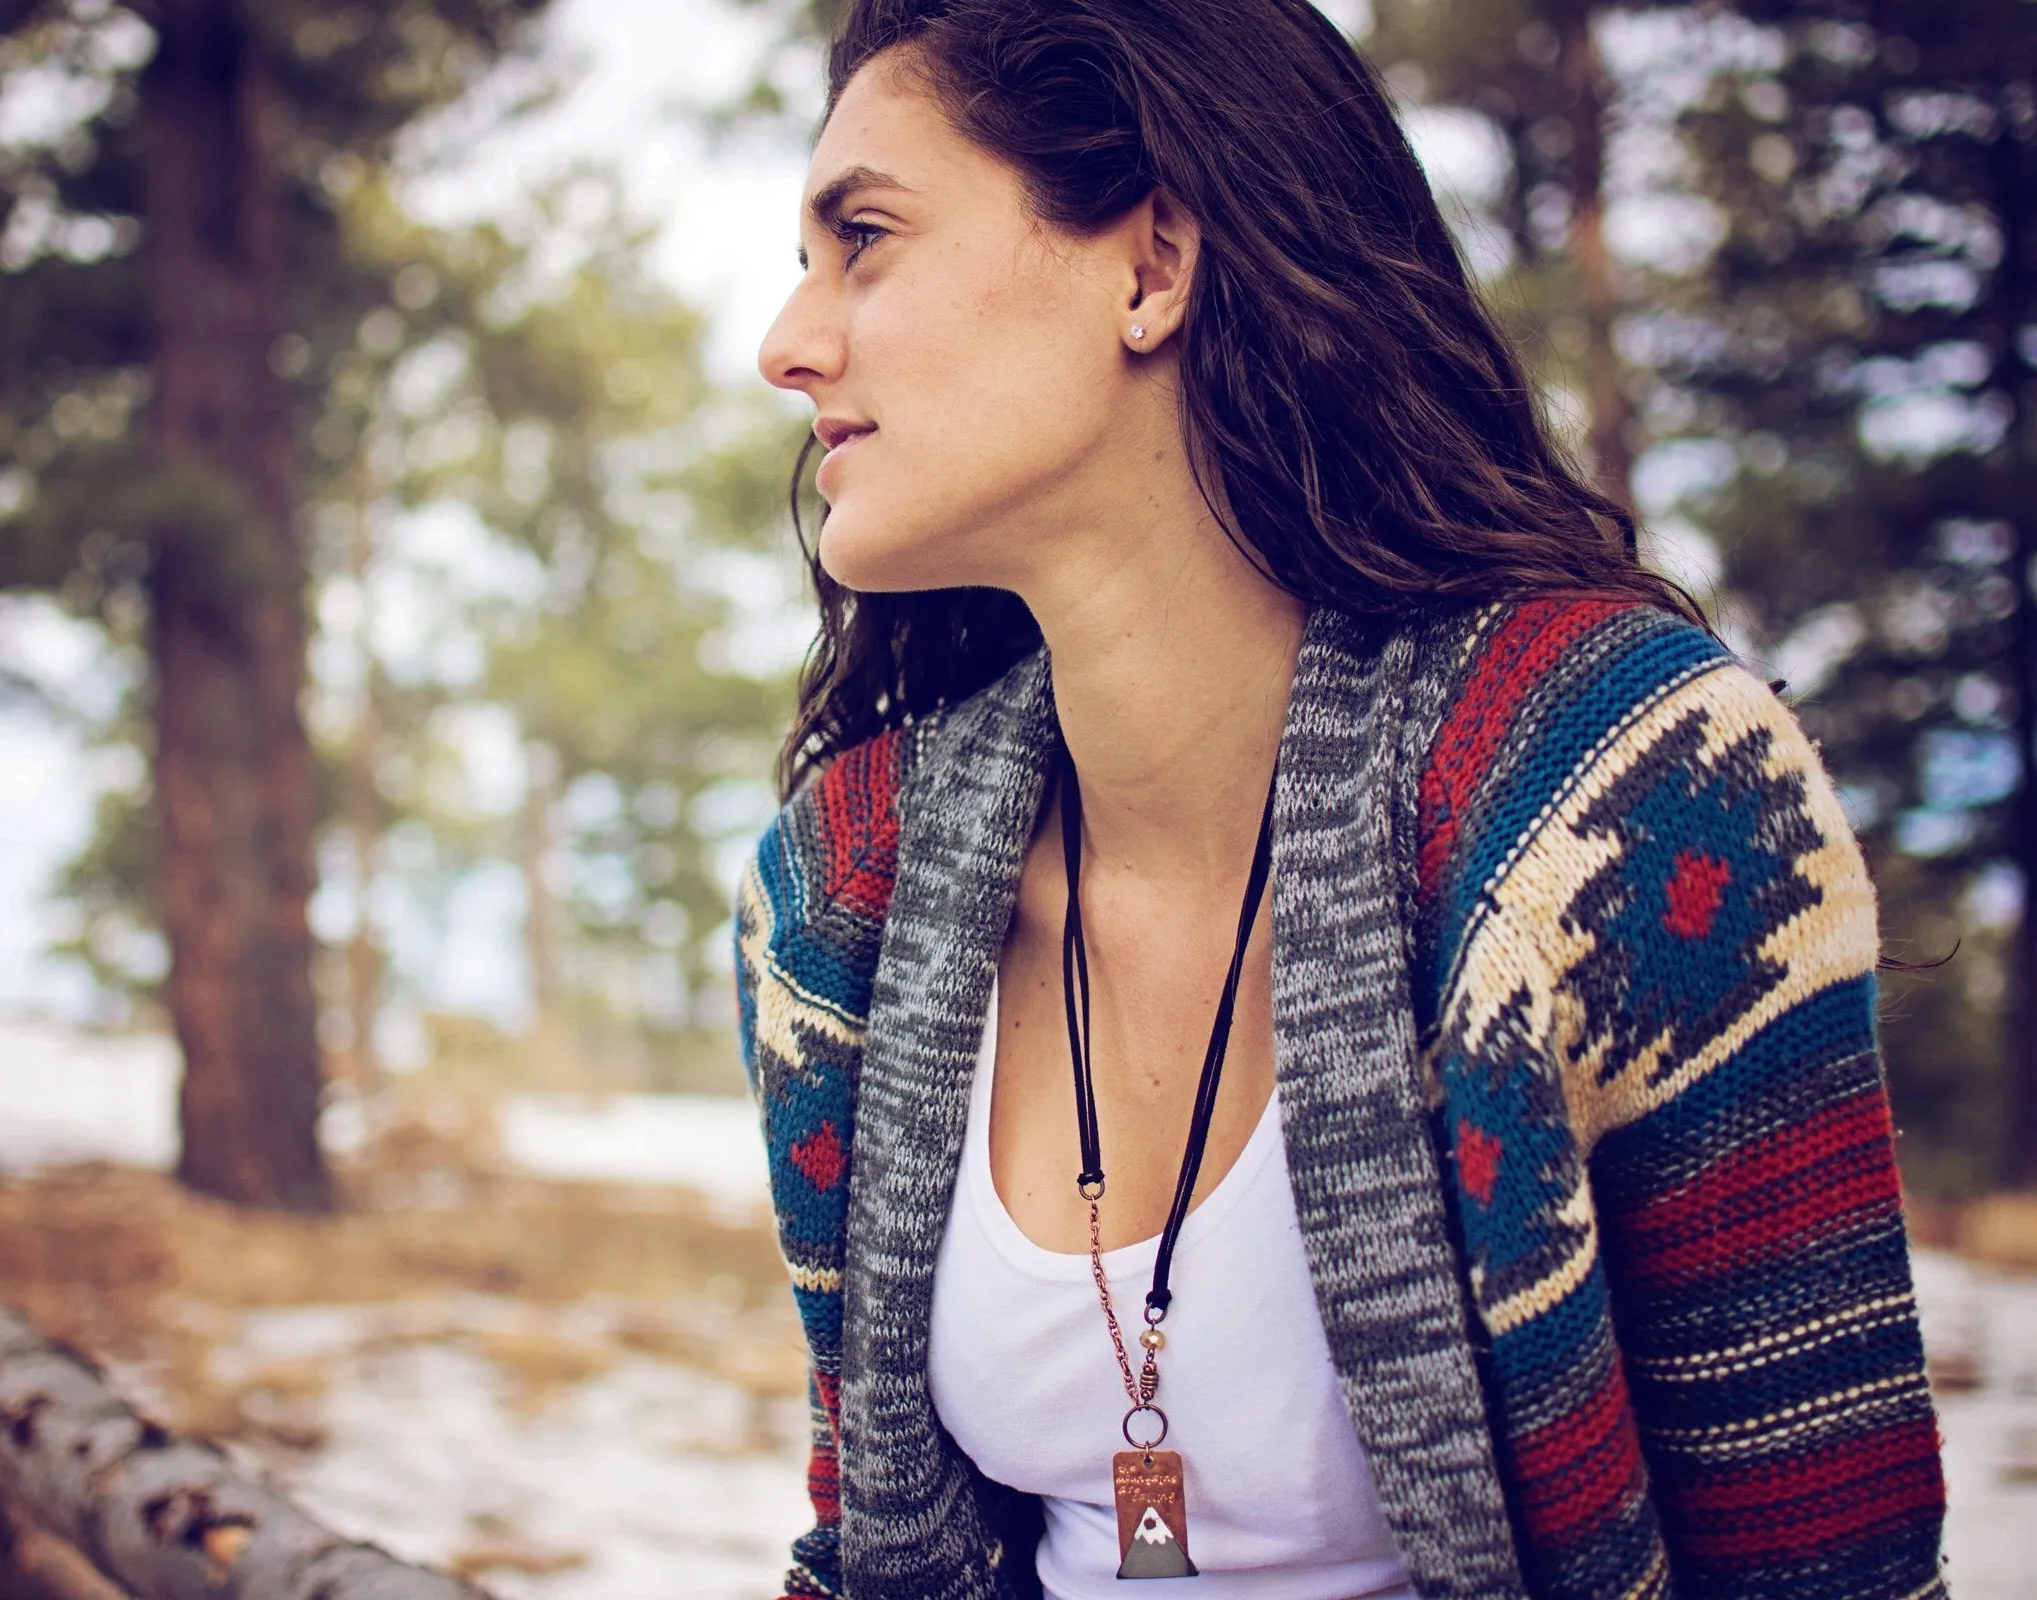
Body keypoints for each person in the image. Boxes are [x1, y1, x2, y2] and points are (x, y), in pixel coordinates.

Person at [736, 2, 1947, 1599]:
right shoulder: (845, 891)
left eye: (864, 239)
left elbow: (1829, 1571)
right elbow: (868, 1548)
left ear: (1151, 264)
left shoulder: (1624, 802)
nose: (786, 343)